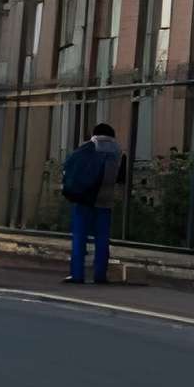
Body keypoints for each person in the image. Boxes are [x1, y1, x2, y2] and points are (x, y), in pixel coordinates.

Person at [59, 122, 127, 285]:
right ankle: (100, 275)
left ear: (95, 134)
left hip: (85, 198)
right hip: (106, 200)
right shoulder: (118, 152)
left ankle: (77, 275)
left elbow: (71, 166)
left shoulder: (88, 147)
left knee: (80, 237)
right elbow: (121, 178)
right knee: (102, 239)